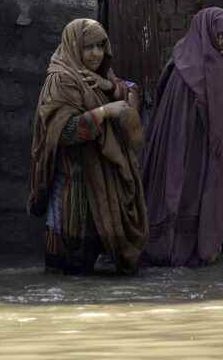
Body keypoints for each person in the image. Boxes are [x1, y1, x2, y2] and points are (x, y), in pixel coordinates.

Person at [28, 18, 148, 276]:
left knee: (88, 264)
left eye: (100, 46)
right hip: (73, 182)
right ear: (74, 47)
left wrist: (111, 88)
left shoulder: (102, 75)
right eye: (88, 47)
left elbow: (131, 94)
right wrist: (105, 112)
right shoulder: (61, 80)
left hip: (100, 180)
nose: (95, 54)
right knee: (66, 265)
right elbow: (62, 132)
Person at [142, 7, 223, 267]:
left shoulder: (179, 57)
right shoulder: (215, 67)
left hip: (170, 146)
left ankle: (161, 249)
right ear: (207, 32)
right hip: (197, 152)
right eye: (219, 36)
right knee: (192, 198)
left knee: (171, 194)